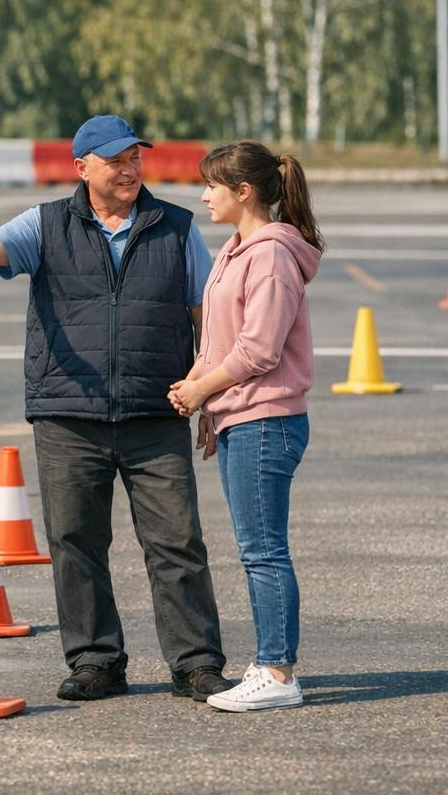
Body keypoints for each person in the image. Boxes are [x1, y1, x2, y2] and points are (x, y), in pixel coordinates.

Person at [0, 115, 233, 703]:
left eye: (134, 158)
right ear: (82, 167)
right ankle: (97, 661)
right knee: (75, 541)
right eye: (116, 159)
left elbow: (206, 317)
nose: (129, 169)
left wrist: (209, 396)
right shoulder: (46, 225)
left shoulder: (177, 228)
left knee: (177, 542)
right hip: (69, 413)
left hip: (156, 410)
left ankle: (196, 664)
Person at [168, 140, 322, 712]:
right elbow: (220, 340)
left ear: (244, 192)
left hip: (268, 420)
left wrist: (204, 390)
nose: (204, 195)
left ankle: (279, 674)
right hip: (243, 417)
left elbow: (258, 350)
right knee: (255, 548)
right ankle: (268, 664)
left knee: (264, 552)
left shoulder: (272, 255)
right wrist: (207, 402)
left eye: (212, 185)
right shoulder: (238, 250)